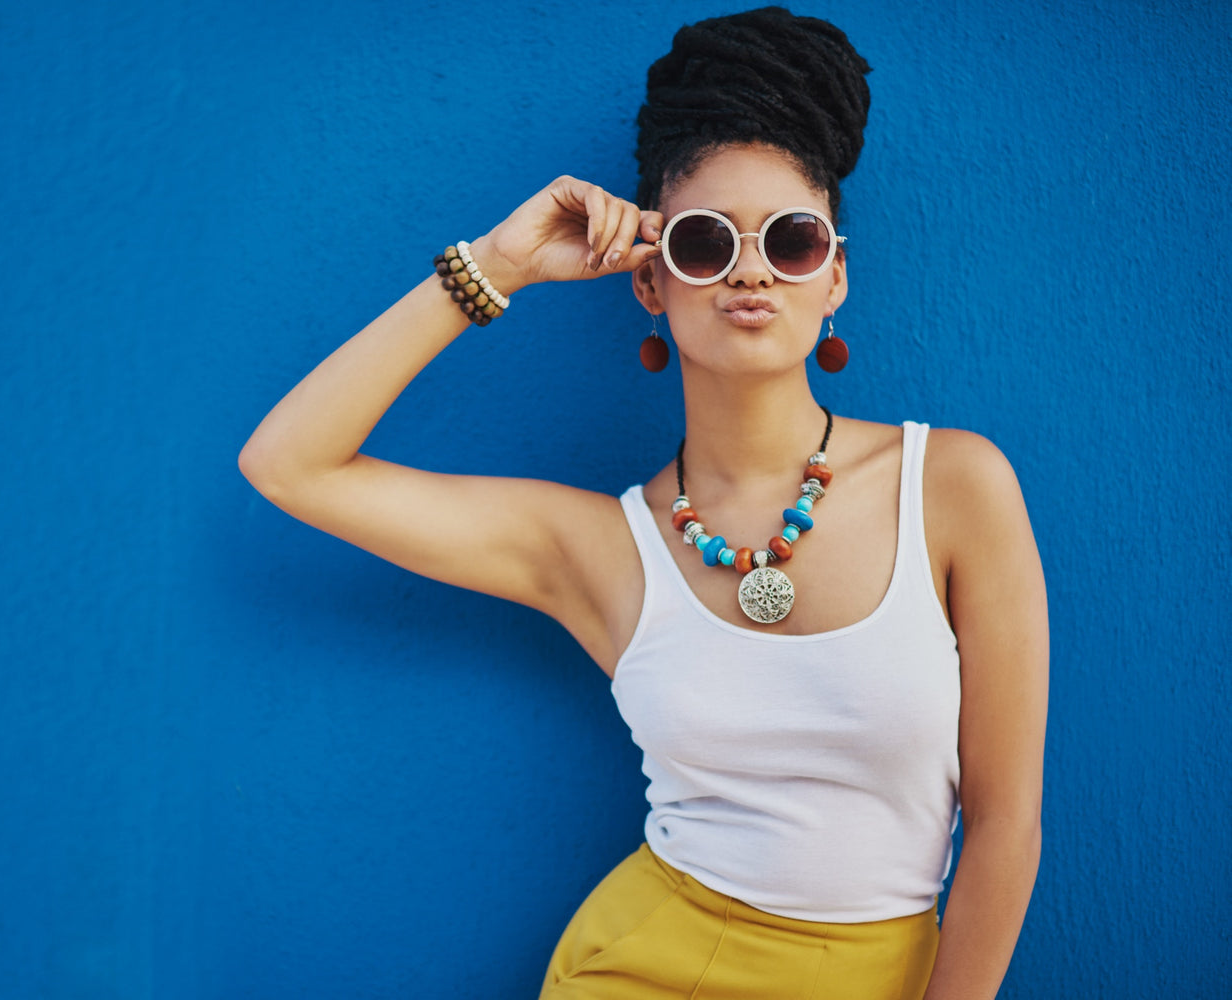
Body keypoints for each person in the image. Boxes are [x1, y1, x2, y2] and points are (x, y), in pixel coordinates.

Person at [239, 7, 1047, 998]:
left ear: (834, 274)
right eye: (705, 241)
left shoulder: (956, 486)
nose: (750, 268)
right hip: (641, 967)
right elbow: (290, 465)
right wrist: (499, 265)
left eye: (791, 240)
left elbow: (1007, 822)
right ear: (651, 284)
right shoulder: (599, 550)